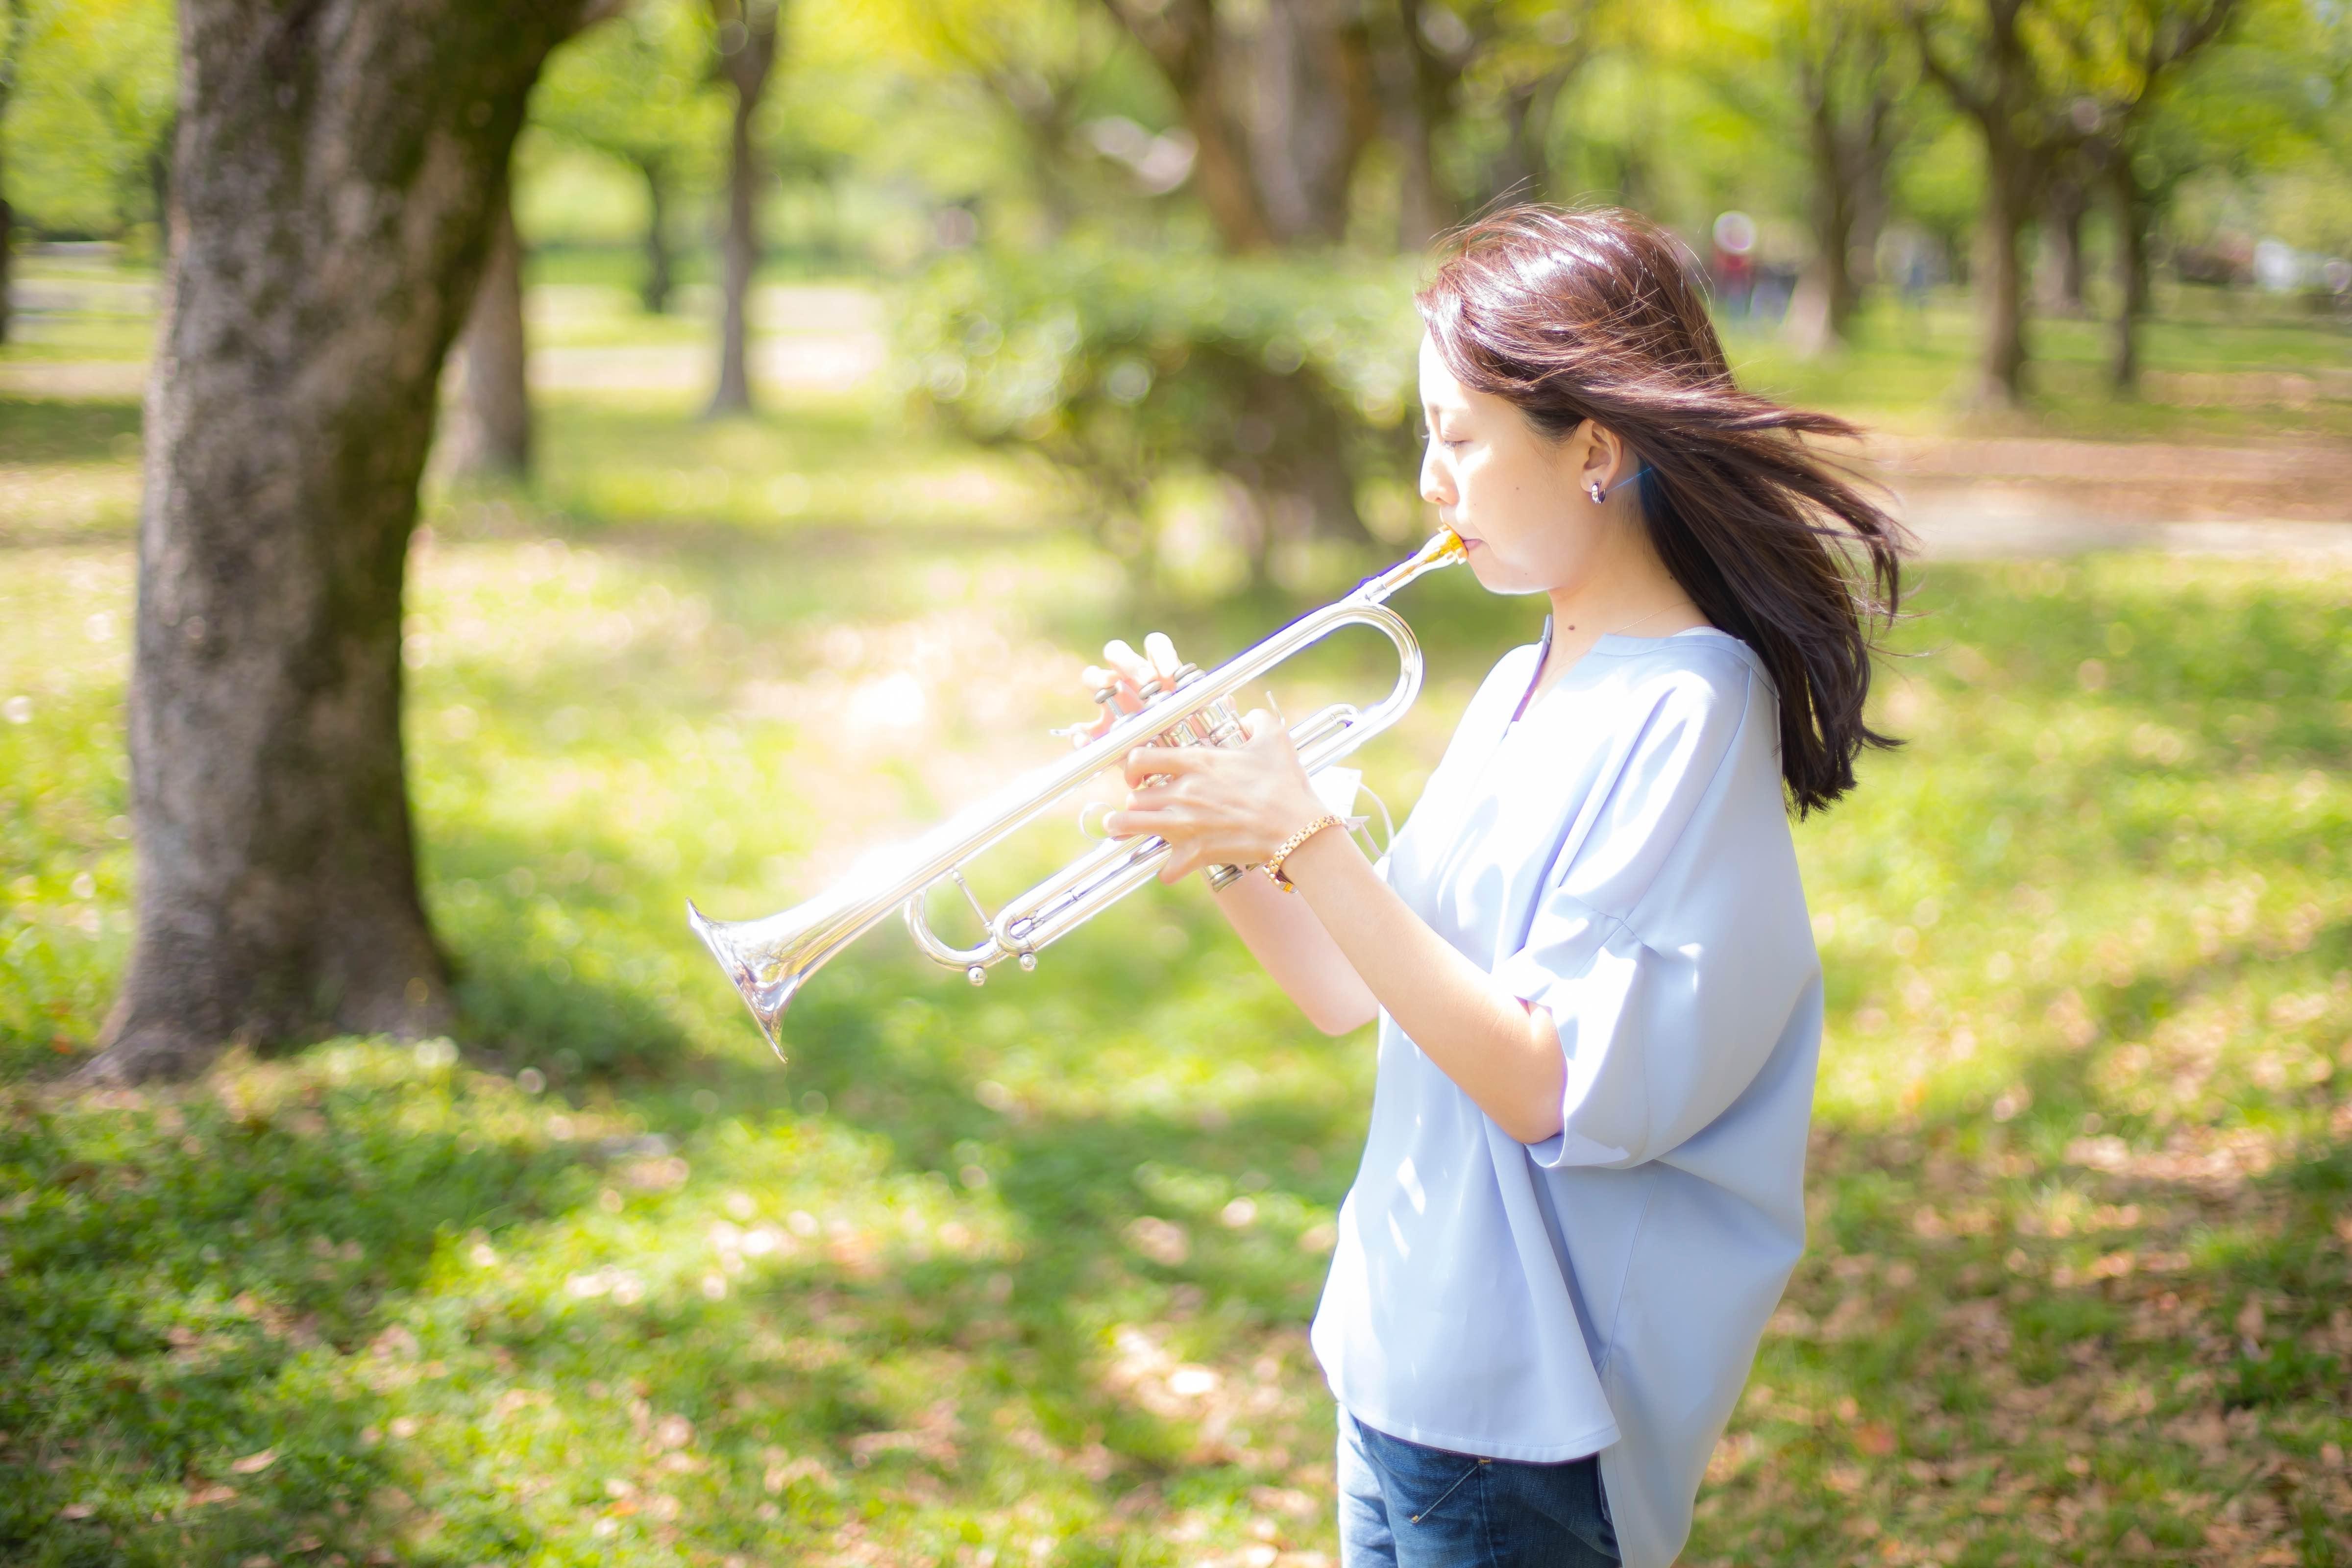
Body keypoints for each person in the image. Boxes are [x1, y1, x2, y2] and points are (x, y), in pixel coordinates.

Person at [1082, 205, 1905, 1568]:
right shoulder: (1525, 675)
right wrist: (1221, 826)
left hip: (1524, 1407)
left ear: (1595, 447)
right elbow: (1350, 991)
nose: (1429, 480)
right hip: (1400, 1348)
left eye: (1458, 437)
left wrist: (1309, 839)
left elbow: (1548, 1084)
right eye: (1424, 434)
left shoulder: (1690, 707)